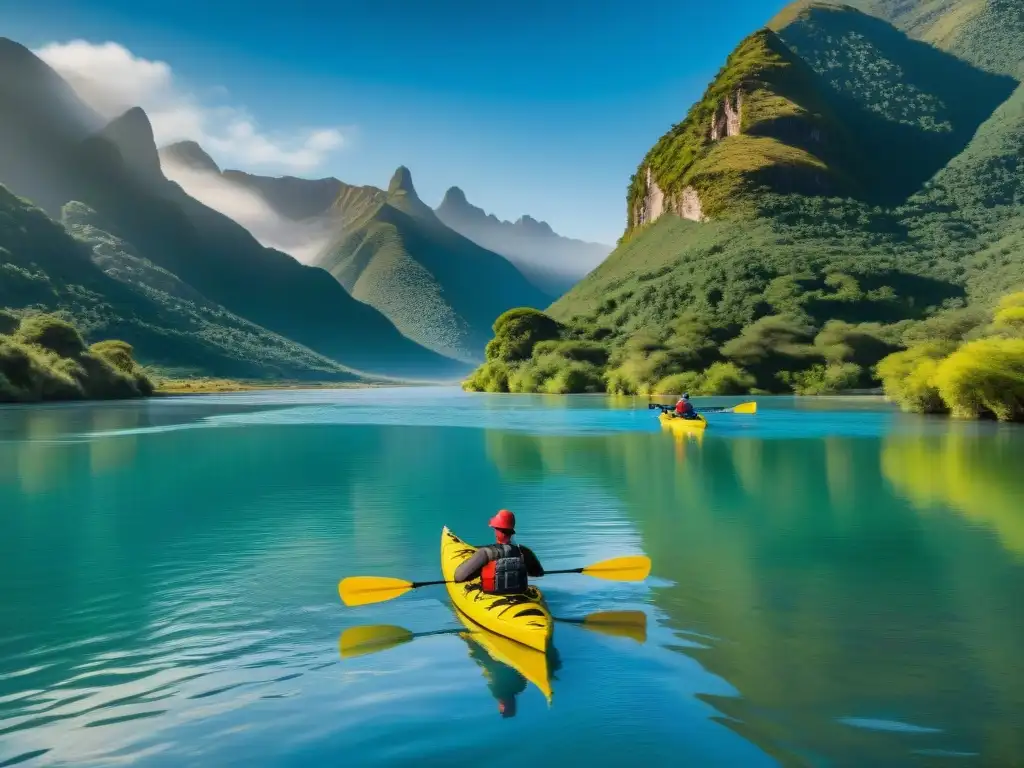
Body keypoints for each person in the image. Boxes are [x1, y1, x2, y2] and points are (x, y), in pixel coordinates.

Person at [453, 509, 544, 594]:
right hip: (519, 593)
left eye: (495, 529)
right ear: (511, 530)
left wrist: (479, 571)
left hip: (492, 595)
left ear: (497, 531)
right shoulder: (524, 552)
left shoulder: (485, 553)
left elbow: (459, 577)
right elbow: (538, 573)